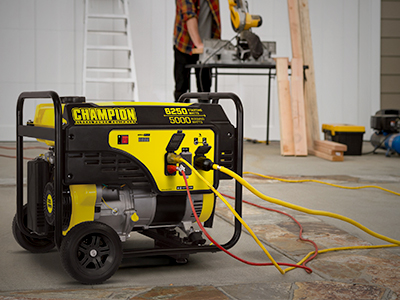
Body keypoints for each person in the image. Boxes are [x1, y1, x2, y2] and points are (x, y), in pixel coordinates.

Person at [173, 0, 221, 102]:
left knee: (204, 91)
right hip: (185, 44)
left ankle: (204, 116)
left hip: (206, 47)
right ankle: (182, 116)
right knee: (181, 91)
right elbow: (189, 15)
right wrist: (199, 44)